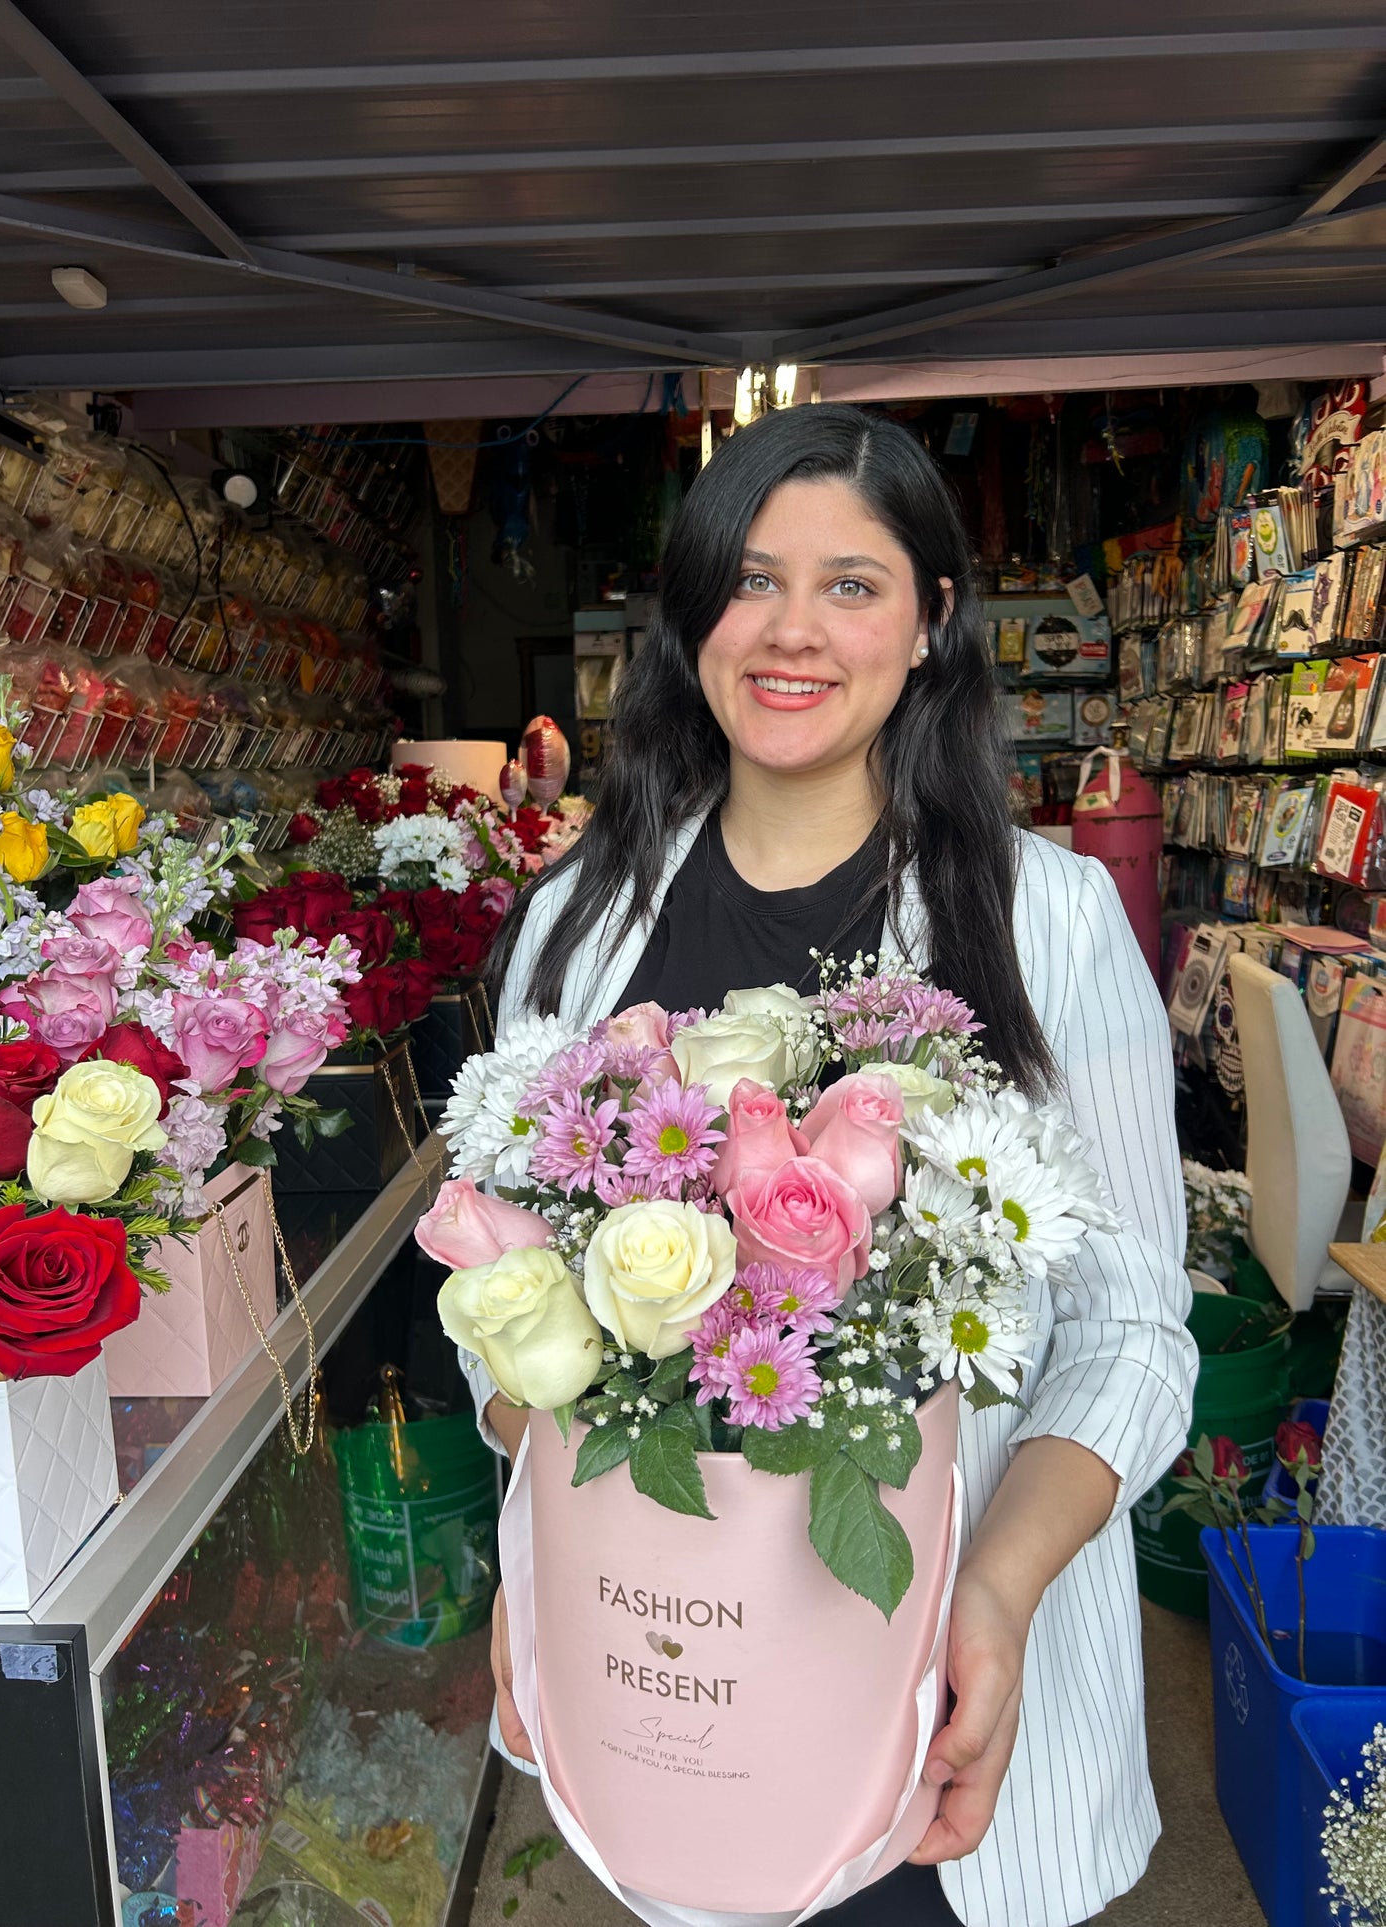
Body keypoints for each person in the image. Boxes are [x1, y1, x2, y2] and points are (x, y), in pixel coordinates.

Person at [466, 404, 1196, 1927]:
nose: (790, 632)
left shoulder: (1045, 920)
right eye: (748, 578)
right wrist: (536, 1563)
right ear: (688, 614)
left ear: (932, 622)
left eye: (851, 585)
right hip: (666, 1685)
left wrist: (989, 1591)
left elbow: (1133, 1331)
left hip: (941, 1716)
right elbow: (511, 1299)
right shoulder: (575, 927)